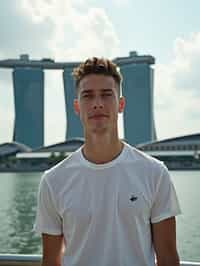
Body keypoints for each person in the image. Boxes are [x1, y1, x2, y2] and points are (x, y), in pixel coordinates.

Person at [34, 57, 181, 266]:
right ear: (77, 107)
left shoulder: (155, 173)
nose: (97, 103)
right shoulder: (53, 181)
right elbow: (50, 261)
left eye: (106, 94)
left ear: (120, 104)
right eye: (88, 96)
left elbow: (167, 258)